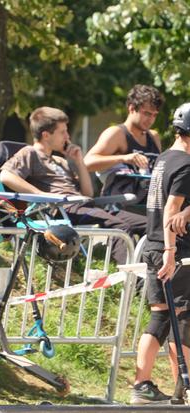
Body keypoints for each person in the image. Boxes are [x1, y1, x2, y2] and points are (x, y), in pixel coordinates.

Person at [0, 106, 146, 264]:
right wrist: (40, 194)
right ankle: (135, 282)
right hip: (63, 209)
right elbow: (6, 175)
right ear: (46, 135)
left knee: (148, 224)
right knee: (120, 227)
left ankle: (154, 274)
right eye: (62, 132)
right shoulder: (30, 153)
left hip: (85, 206)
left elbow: (88, 193)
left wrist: (78, 161)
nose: (67, 136)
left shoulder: (60, 161)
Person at [131, 102, 190, 405]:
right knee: (182, 318)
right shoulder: (186, 165)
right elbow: (172, 209)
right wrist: (171, 252)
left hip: (153, 245)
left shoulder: (165, 159)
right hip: (173, 250)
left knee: (161, 317)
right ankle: (184, 387)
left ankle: (142, 384)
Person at [84, 85, 164, 203]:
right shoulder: (117, 134)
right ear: (131, 108)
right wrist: (124, 158)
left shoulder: (154, 136)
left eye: (154, 115)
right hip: (122, 206)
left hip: (150, 205)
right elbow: (87, 163)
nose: (151, 119)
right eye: (147, 113)